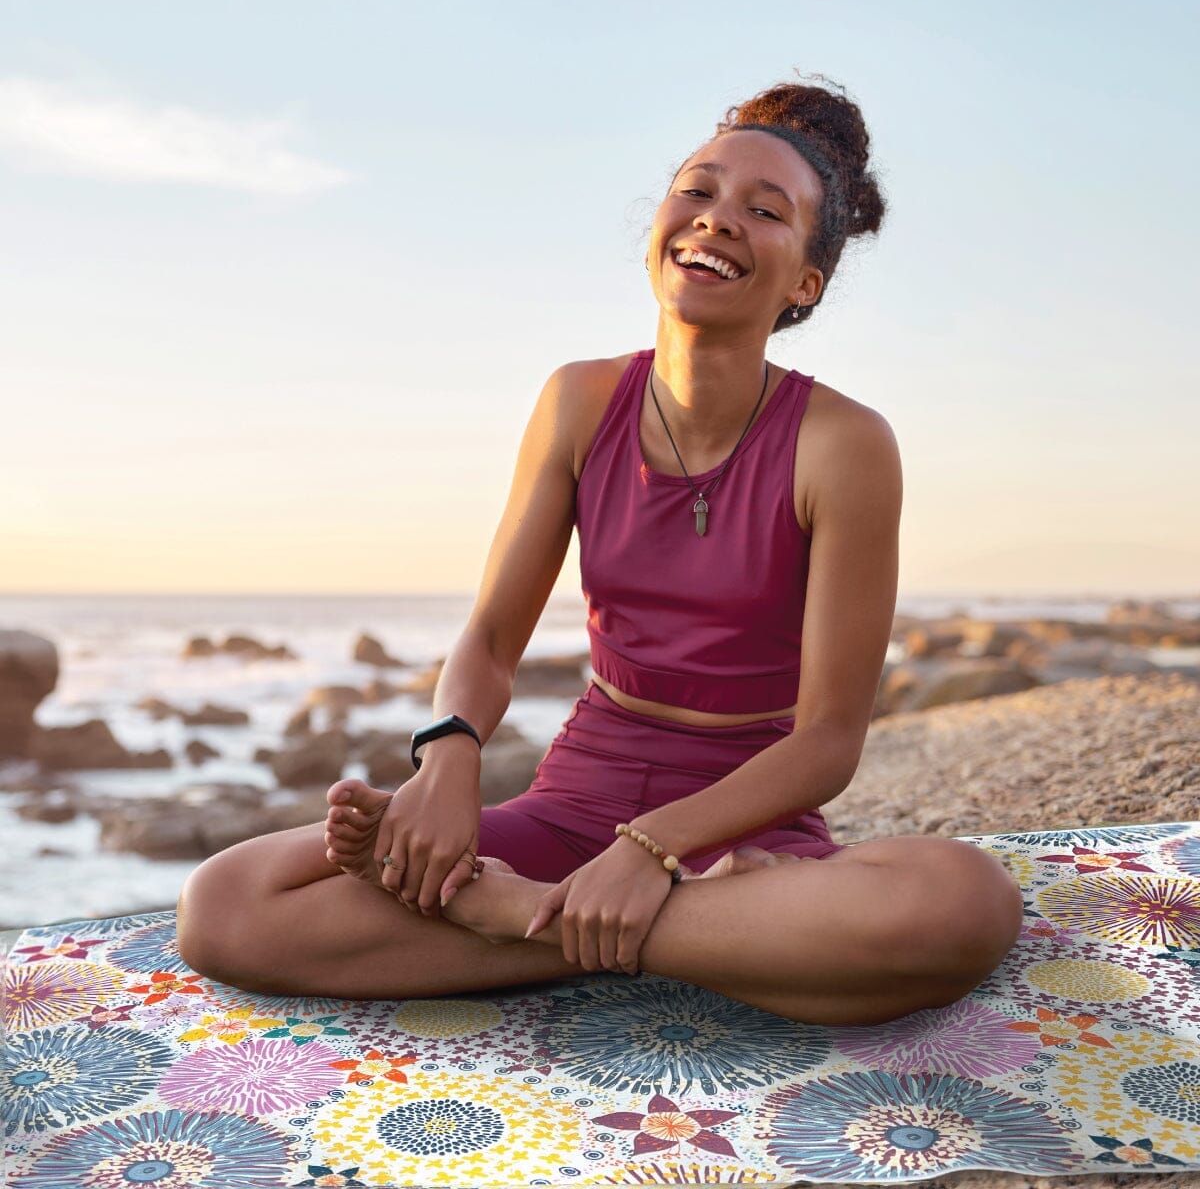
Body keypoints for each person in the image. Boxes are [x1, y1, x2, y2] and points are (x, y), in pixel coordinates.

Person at [178, 76, 1023, 1026]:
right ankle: (653, 934)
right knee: (226, 909)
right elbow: (493, 639)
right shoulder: (580, 402)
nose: (718, 219)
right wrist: (448, 764)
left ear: (805, 284)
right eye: (697, 191)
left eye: (765, 210)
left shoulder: (845, 444)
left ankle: (525, 922)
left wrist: (653, 854)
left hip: (741, 819)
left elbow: (827, 742)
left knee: (962, 905)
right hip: (577, 799)